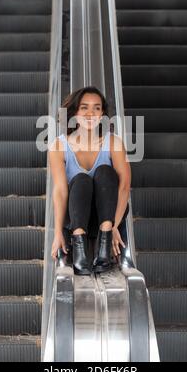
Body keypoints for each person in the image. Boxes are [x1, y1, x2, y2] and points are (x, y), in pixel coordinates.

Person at [49, 86, 131, 275]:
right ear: (75, 112)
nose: (90, 113)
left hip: (107, 218)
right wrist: (57, 233)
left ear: (102, 113)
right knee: (81, 180)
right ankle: (79, 251)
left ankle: (103, 249)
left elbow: (125, 186)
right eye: (84, 107)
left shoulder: (113, 143)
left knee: (105, 172)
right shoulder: (59, 146)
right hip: (77, 218)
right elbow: (61, 191)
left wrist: (114, 225)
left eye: (96, 108)